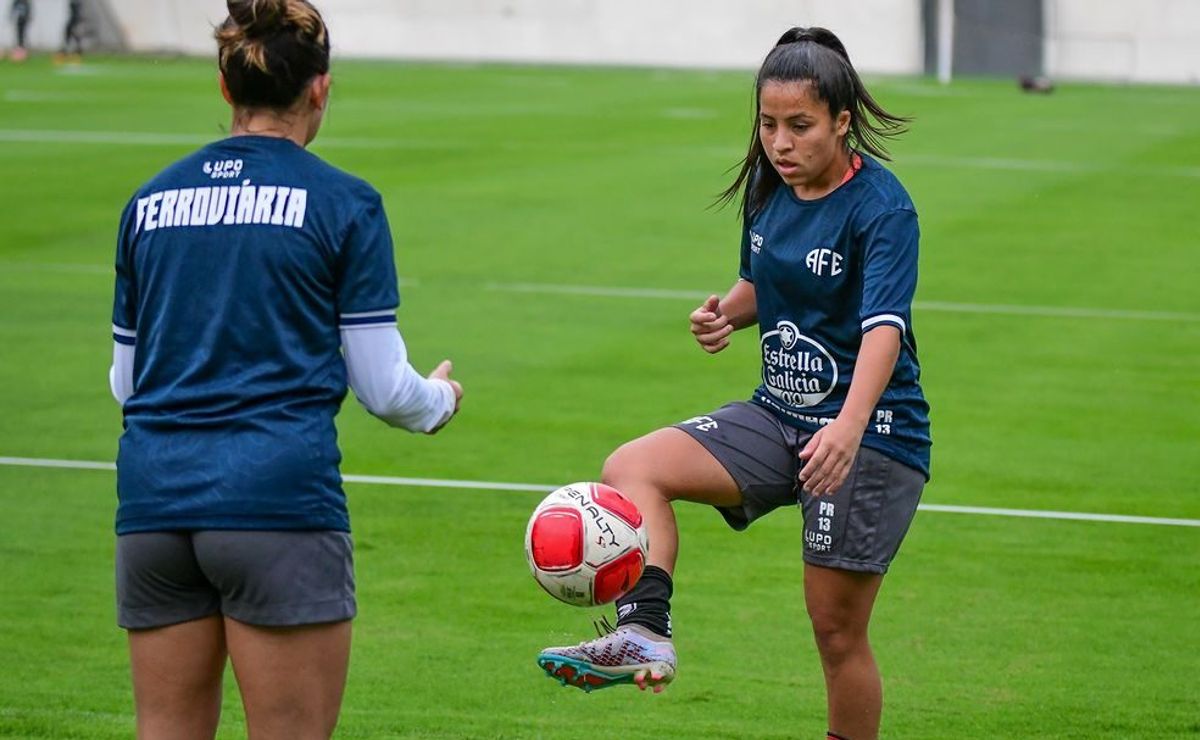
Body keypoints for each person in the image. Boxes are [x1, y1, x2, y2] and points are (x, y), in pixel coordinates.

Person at [537, 26, 930, 740]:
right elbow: (760, 283)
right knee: (633, 467)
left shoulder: (883, 207)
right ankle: (644, 632)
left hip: (871, 434)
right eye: (769, 123)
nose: (780, 143)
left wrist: (845, 427)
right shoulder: (766, 186)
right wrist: (725, 313)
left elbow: (884, 330)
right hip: (778, 415)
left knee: (836, 632)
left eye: (800, 126)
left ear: (843, 122)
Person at [108, 1, 463, 737]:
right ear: (320, 89)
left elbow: (126, 383)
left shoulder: (148, 203)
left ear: (224, 86)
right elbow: (382, 387)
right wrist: (441, 399)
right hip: (275, 503)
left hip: (152, 506)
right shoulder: (344, 202)